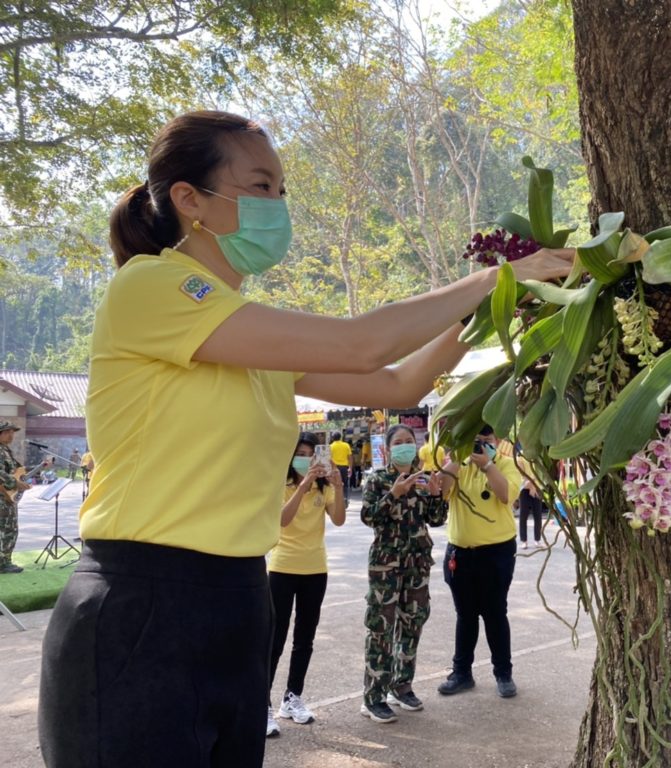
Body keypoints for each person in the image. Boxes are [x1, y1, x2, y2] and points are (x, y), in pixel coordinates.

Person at [37, 110, 573, 768]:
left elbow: (399, 382)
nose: (277, 206)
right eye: (260, 186)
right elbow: (359, 342)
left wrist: (496, 309)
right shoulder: (150, 288)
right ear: (190, 200)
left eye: (282, 191)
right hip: (142, 606)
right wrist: (497, 277)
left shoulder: (248, 333)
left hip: (238, 600)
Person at [359, 424, 447, 723]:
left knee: (412, 625)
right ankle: (374, 696)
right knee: (381, 628)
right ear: (387, 449)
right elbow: (369, 517)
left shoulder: (423, 480)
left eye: (410, 441)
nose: (405, 446)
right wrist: (393, 495)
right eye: (399, 442)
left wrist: (436, 495)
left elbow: (436, 520)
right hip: (386, 565)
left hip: (417, 564)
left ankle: (402, 686)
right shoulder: (378, 480)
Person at [266, 433, 346, 738]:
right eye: (300, 453)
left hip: (316, 569)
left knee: (305, 638)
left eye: (311, 454)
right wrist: (302, 485)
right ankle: (264, 704)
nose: (306, 458)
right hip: (283, 568)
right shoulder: (282, 484)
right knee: (275, 638)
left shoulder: (323, 487)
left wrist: (337, 486)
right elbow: (282, 521)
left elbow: (338, 519)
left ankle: (292, 697)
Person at [436, 425, 522, 698]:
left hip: (496, 553)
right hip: (459, 553)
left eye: (487, 440)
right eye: (476, 440)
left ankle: (503, 674)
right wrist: (455, 460)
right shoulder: (460, 464)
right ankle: (461, 673)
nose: (481, 445)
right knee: (465, 615)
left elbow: (505, 494)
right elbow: (443, 491)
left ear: (498, 442)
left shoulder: (506, 464)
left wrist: (487, 466)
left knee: (495, 613)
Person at [0, 421, 30, 574]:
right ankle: (3, 564)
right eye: (7, 432)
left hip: (7, 496)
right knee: (7, 530)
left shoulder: (5, 450)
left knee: (8, 529)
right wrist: (15, 483)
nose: (11, 435)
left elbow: (16, 470)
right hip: (2, 497)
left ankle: (5, 561)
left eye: (12, 432)